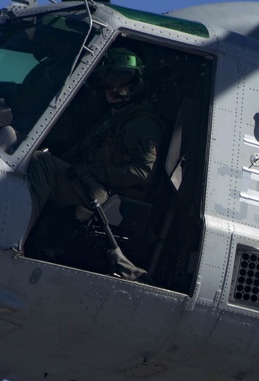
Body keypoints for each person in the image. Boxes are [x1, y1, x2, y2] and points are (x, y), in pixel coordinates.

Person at [24, 47, 163, 262]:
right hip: (93, 183)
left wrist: (95, 172)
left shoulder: (142, 123)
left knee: (41, 164)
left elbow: (143, 172)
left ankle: (18, 233)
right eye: (108, 78)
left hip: (111, 195)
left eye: (119, 77)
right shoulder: (112, 118)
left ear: (135, 82)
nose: (111, 86)